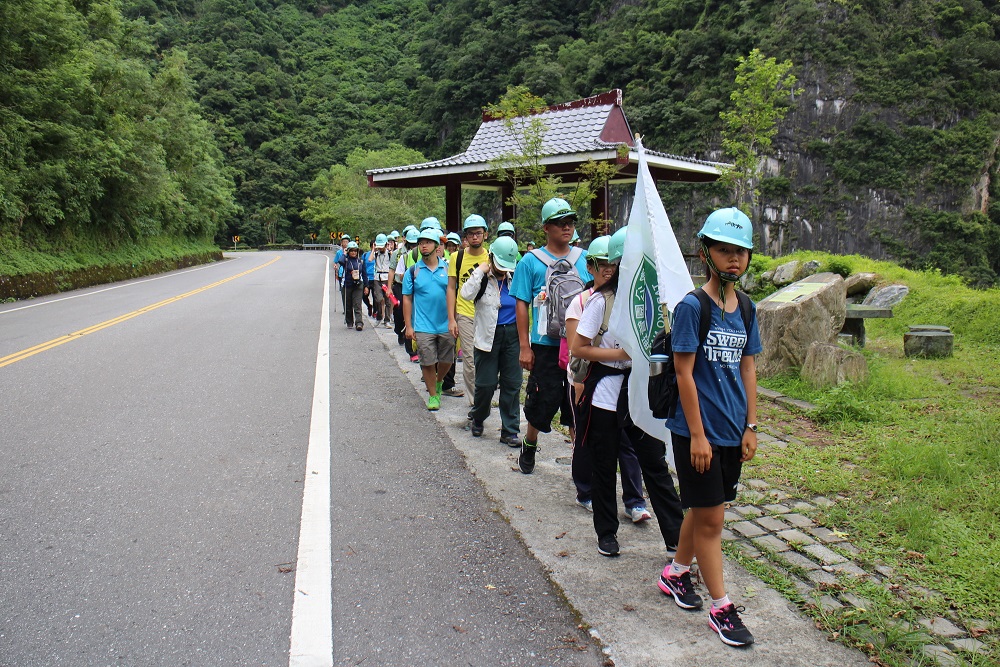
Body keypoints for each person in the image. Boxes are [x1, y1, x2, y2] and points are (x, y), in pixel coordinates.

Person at [659, 207, 761, 647]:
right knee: (713, 521)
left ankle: (676, 572)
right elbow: (684, 374)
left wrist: (751, 425)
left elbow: (749, 368)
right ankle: (721, 608)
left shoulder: (748, 308)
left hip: (732, 431)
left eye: (740, 251)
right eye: (724, 250)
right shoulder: (691, 307)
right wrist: (697, 435)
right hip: (695, 432)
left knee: (704, 511)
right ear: (706, 254)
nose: (733, 260)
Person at [571, 226, 684, 559]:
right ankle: (606, 533)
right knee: (604, 466)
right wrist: (620, 355)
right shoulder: (601, 301)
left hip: (641, 393)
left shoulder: (654, 301)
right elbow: (579, 347)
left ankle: (676, 538)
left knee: (654, 465)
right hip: (606, 393)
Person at [565, 235, 648, 522]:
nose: (608, 269)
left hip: (632, 387)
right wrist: (621, 356)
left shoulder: (640, 299)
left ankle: (635, 501)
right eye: (602, 264)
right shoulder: (590, 301)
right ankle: (589, 496)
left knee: (629, 447)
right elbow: (578, 348)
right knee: (598, 448)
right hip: (598, 383)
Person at [510, 198, 591, 474]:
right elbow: (521, 302)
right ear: (546, 228)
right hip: (545, 345)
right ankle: (530, 443)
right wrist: (524, 346)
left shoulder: (584, 259)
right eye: (560, 223)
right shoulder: (530, 262)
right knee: (541, 398)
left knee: (577, 401)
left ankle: (578, 459)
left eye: (570, 222)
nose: (567, 227)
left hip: (578, 345)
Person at [460, 236, 520, 446]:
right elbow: (465, 294)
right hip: (488, 336)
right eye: (499, 264)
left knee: (512, 383)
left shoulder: (515, 277)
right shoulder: (483, 277)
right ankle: (478, 416)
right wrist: (480, 271)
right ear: (491, 257)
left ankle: (509, 430)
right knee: (486, 384)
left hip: (513, 336)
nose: (503, 270)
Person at [402, 228, 456, 411]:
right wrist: (408, 326)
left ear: (436, 245)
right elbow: (407, 298)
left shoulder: (448, 268)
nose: (423, 246)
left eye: (428, 242)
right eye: (421, 243)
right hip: (423, 324)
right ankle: (433, 395)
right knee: (427, 360)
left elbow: (454, 292)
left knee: (448, 359)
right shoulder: (413, 271)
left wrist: (454, 319)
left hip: (445, 323)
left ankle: (439, 381)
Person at [448, 214, 490, 407]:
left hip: (486, 315)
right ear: (465, 236)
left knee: (486, 359)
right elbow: (451, 288)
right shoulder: (457, 258)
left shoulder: (490, 257)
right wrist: (452, 318)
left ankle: (484, 395)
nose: (475, 237)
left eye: (478, 233)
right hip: (464, 314)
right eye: (471, 234)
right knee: (470, 360)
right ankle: (476, 403)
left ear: (485, 235)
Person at [390, 226, 421, 361]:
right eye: (412, 243)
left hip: (421, 291)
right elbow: (396, 273)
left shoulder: (427, 255)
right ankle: (411, 351)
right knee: (405, 316)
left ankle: (419, 349)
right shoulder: (403, 256)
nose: (414, 246)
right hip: (404, 288)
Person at [338, 241, 367, 330]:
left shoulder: (360, 261)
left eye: (355, 251)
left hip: (358, 285)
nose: (353, 252)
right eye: (352, 251)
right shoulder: (345, 260)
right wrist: (344, 253)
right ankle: (349, 321)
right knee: (348, 304)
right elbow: (340, 261)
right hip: (347, 285)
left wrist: (366, 286)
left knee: (357, 304)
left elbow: (365, 274)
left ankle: (359, 323)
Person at [370, 233, 393, 327]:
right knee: (378, 299)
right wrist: (373, 249)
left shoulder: (390, 254)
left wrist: (390, 250)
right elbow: (370, 259)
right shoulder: (376, 253)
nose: (380, 248)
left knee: (388, 300)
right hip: (377, 278)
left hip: (387, 278)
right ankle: (379, 316)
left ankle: (387, 320)